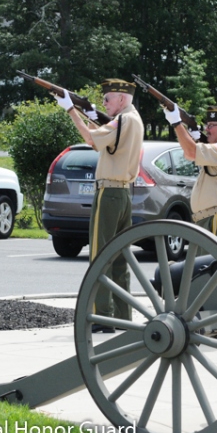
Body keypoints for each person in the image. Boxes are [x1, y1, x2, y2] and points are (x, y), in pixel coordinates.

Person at [54, 79, 144, 333]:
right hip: (124, 193)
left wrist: (71, 110)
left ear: (122, 99)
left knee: (99, 255)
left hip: (109, 193)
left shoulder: (122, 120)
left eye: (107, 98)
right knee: (119, 258)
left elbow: (90, 139)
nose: (104, 103)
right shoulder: (134, 119)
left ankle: (102, 316)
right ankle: (123, 316)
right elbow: (104, 138)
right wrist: (89, 113)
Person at [165, 105, 217, 250]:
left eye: (211, 125)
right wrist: (196, 137)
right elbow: (194, 151)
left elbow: (191, 152)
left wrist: (177, 123)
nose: (207, 129)